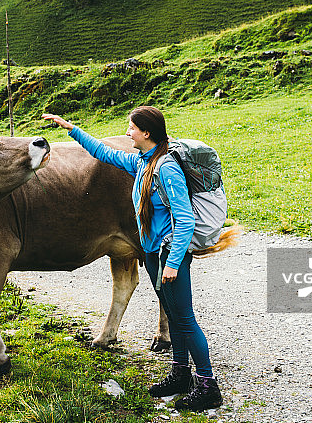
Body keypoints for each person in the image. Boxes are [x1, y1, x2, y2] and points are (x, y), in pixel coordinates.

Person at [42, 106, 223, 411]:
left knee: (184, 319)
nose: (127, 133)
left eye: (131, 128)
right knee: (175, 316)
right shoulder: (142, 162)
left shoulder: (166, 168)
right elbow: (102, 152)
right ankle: (180, 374)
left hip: (168, 253)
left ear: (146, 133)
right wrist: (70, 128)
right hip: (152, 252)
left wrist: (174, 263)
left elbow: (185, 219)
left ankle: (208, 385)